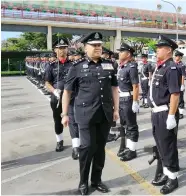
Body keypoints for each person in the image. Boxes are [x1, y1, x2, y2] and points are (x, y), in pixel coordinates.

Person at [61, 32, 119, 195]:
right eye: (94, 45)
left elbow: (114, 88)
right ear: (85, 47)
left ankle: (96, 180)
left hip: (105, 114)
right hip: (85, 114)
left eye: (99, 45)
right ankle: (83, 182)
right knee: (86, 148)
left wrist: (116, 109)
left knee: (100, 148)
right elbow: (67, 92)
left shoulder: (109, 65)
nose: (98, 48)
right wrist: (64, 114)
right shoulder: (77, 67)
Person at [148, 35, 181, 194]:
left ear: (168, 50)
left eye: (160, 48)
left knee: (168, 147)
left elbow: (175, 94)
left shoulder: (172, 68)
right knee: (160, 146)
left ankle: (173, 178)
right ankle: (165, 173)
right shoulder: (160, 67)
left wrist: (171, 115)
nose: (157, 50)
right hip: (157, 113)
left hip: (165, 112)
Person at [44, 38, 72, 152]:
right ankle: (59, 141)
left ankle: (76, 142)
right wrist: (54, 91)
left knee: (75, 120)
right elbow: (47, 83)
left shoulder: (74, 65)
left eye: (64, 48)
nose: (62, 50)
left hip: (73, 97)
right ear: (55, 50)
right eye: (60, 48)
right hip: (57, 98)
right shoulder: (51, 66)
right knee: (57, 119)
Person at [115, 43, 140, 161]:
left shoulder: (131, 67)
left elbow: (135, 86)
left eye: (121, 51)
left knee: (131, 126)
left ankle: (132, 150)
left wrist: (135, 101)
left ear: (128, 54)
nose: (119, 53)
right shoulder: (121, 67)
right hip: (121, 99)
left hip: (128, 99)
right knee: (124, 125)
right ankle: (128, 148)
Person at [174, 50, 186, 119]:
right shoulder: (174, 64)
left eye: (177, 56)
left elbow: (183, 76)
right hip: (174, 84)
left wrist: (182, 84)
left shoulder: (182, 65)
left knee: (180, 99)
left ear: (180, 57)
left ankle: (181, 113)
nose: (176, 57)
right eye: (175, 56)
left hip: (179, 84)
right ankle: (176, 111)